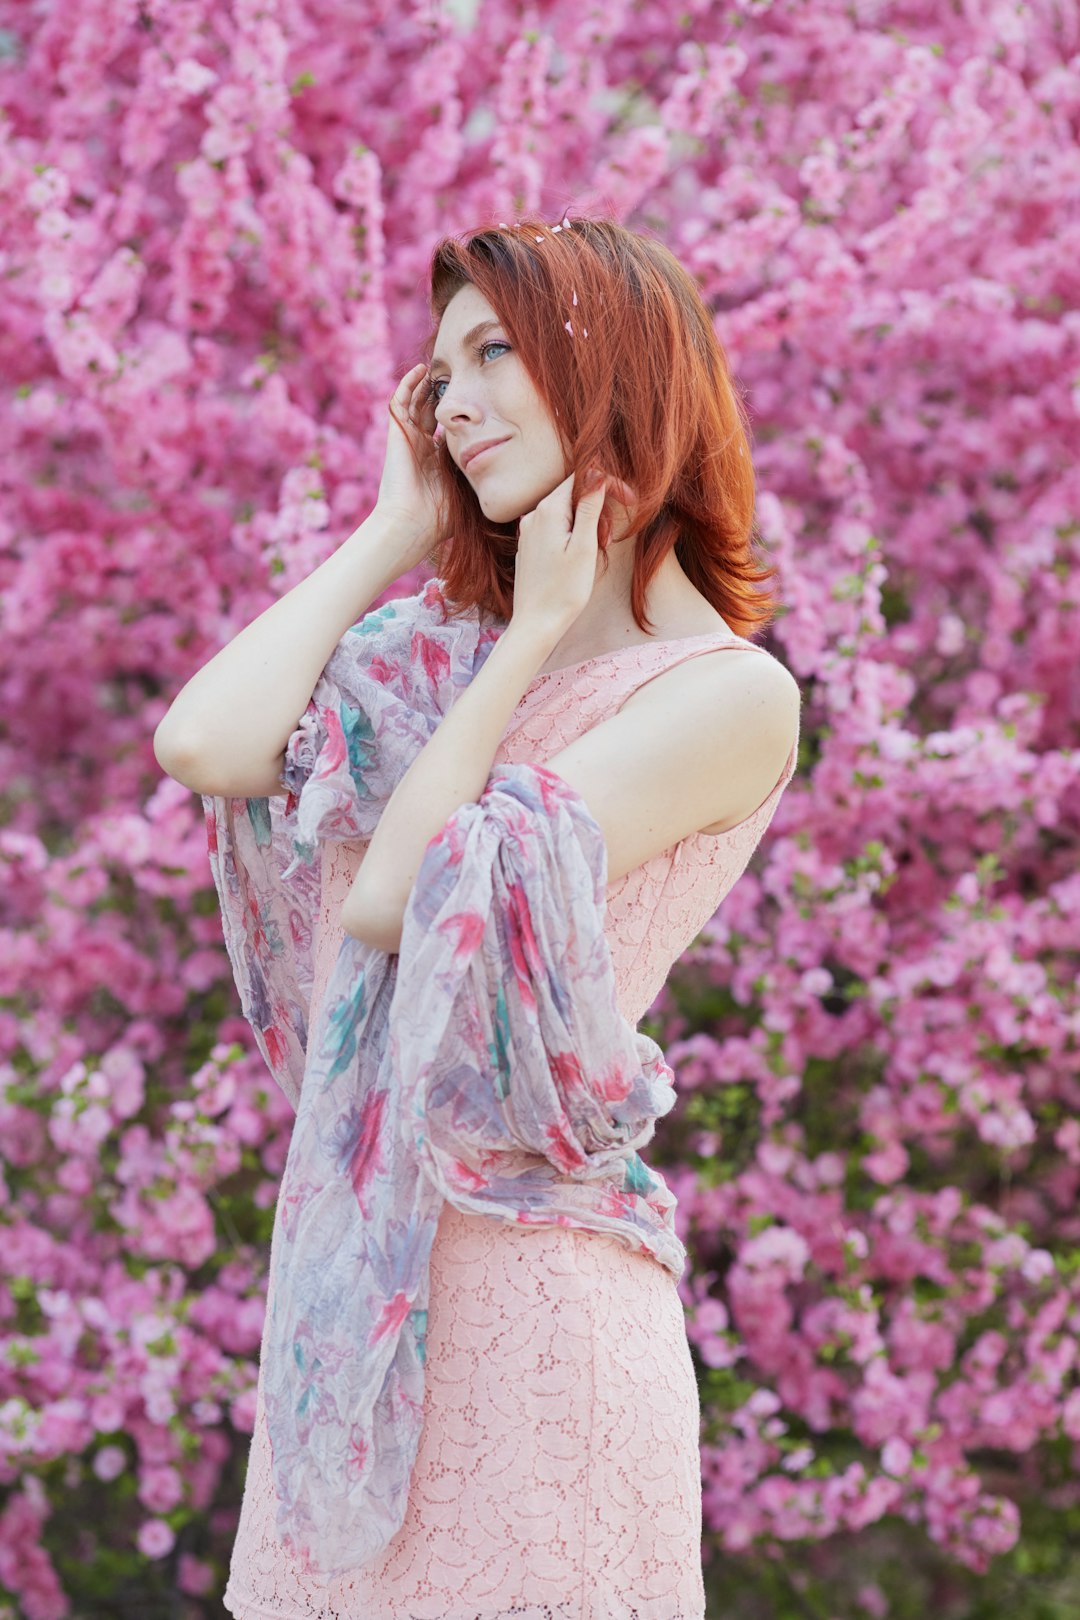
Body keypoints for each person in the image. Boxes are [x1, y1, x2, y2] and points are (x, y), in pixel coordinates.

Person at [154, 213, 801, 1619]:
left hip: (535, 1314)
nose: (453, 401)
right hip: (352, 1317)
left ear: (617, 365)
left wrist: (520, 647)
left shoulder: (726, 696)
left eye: (496, 351)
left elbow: (401, 894)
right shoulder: (436, 663)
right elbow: (206, 741)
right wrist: (399, 528)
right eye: (439, 370)